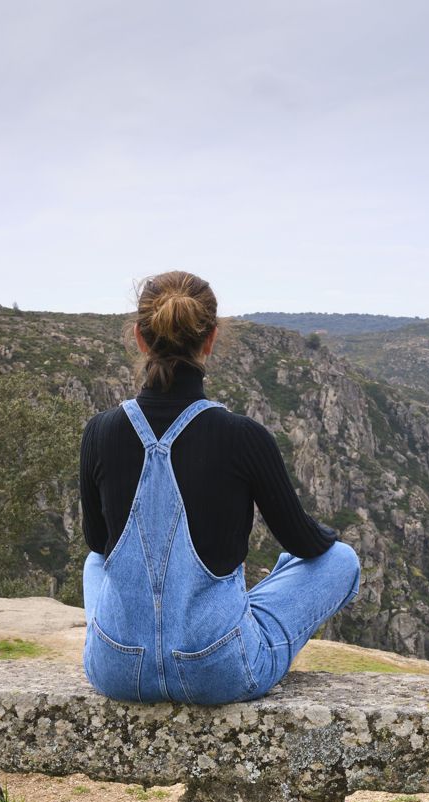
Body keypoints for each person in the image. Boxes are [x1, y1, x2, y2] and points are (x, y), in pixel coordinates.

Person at [79, 271, 361, 705]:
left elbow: (98, 542)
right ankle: (221, 623)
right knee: (342, 560)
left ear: (139, 337)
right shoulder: (242, 436)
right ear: (210, 340)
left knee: (95, 564)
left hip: (117, 669)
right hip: (217, 670)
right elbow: (305, 544)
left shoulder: (99, 431)